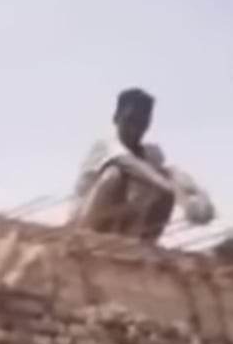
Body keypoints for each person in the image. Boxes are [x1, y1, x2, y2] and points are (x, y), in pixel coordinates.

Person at [70, 87, 214, 242]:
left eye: (142, 122)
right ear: (116, 118)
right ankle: (90, 237)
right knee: (115, 175)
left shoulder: (150, 153)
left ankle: (143, 243)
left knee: (166, 181)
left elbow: (172, 173)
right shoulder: (104, 147)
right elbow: (130, 165)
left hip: (124, 228)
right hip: (85, 225)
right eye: (130, 119)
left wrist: (197, 196)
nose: (135, 128)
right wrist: (174, 191)